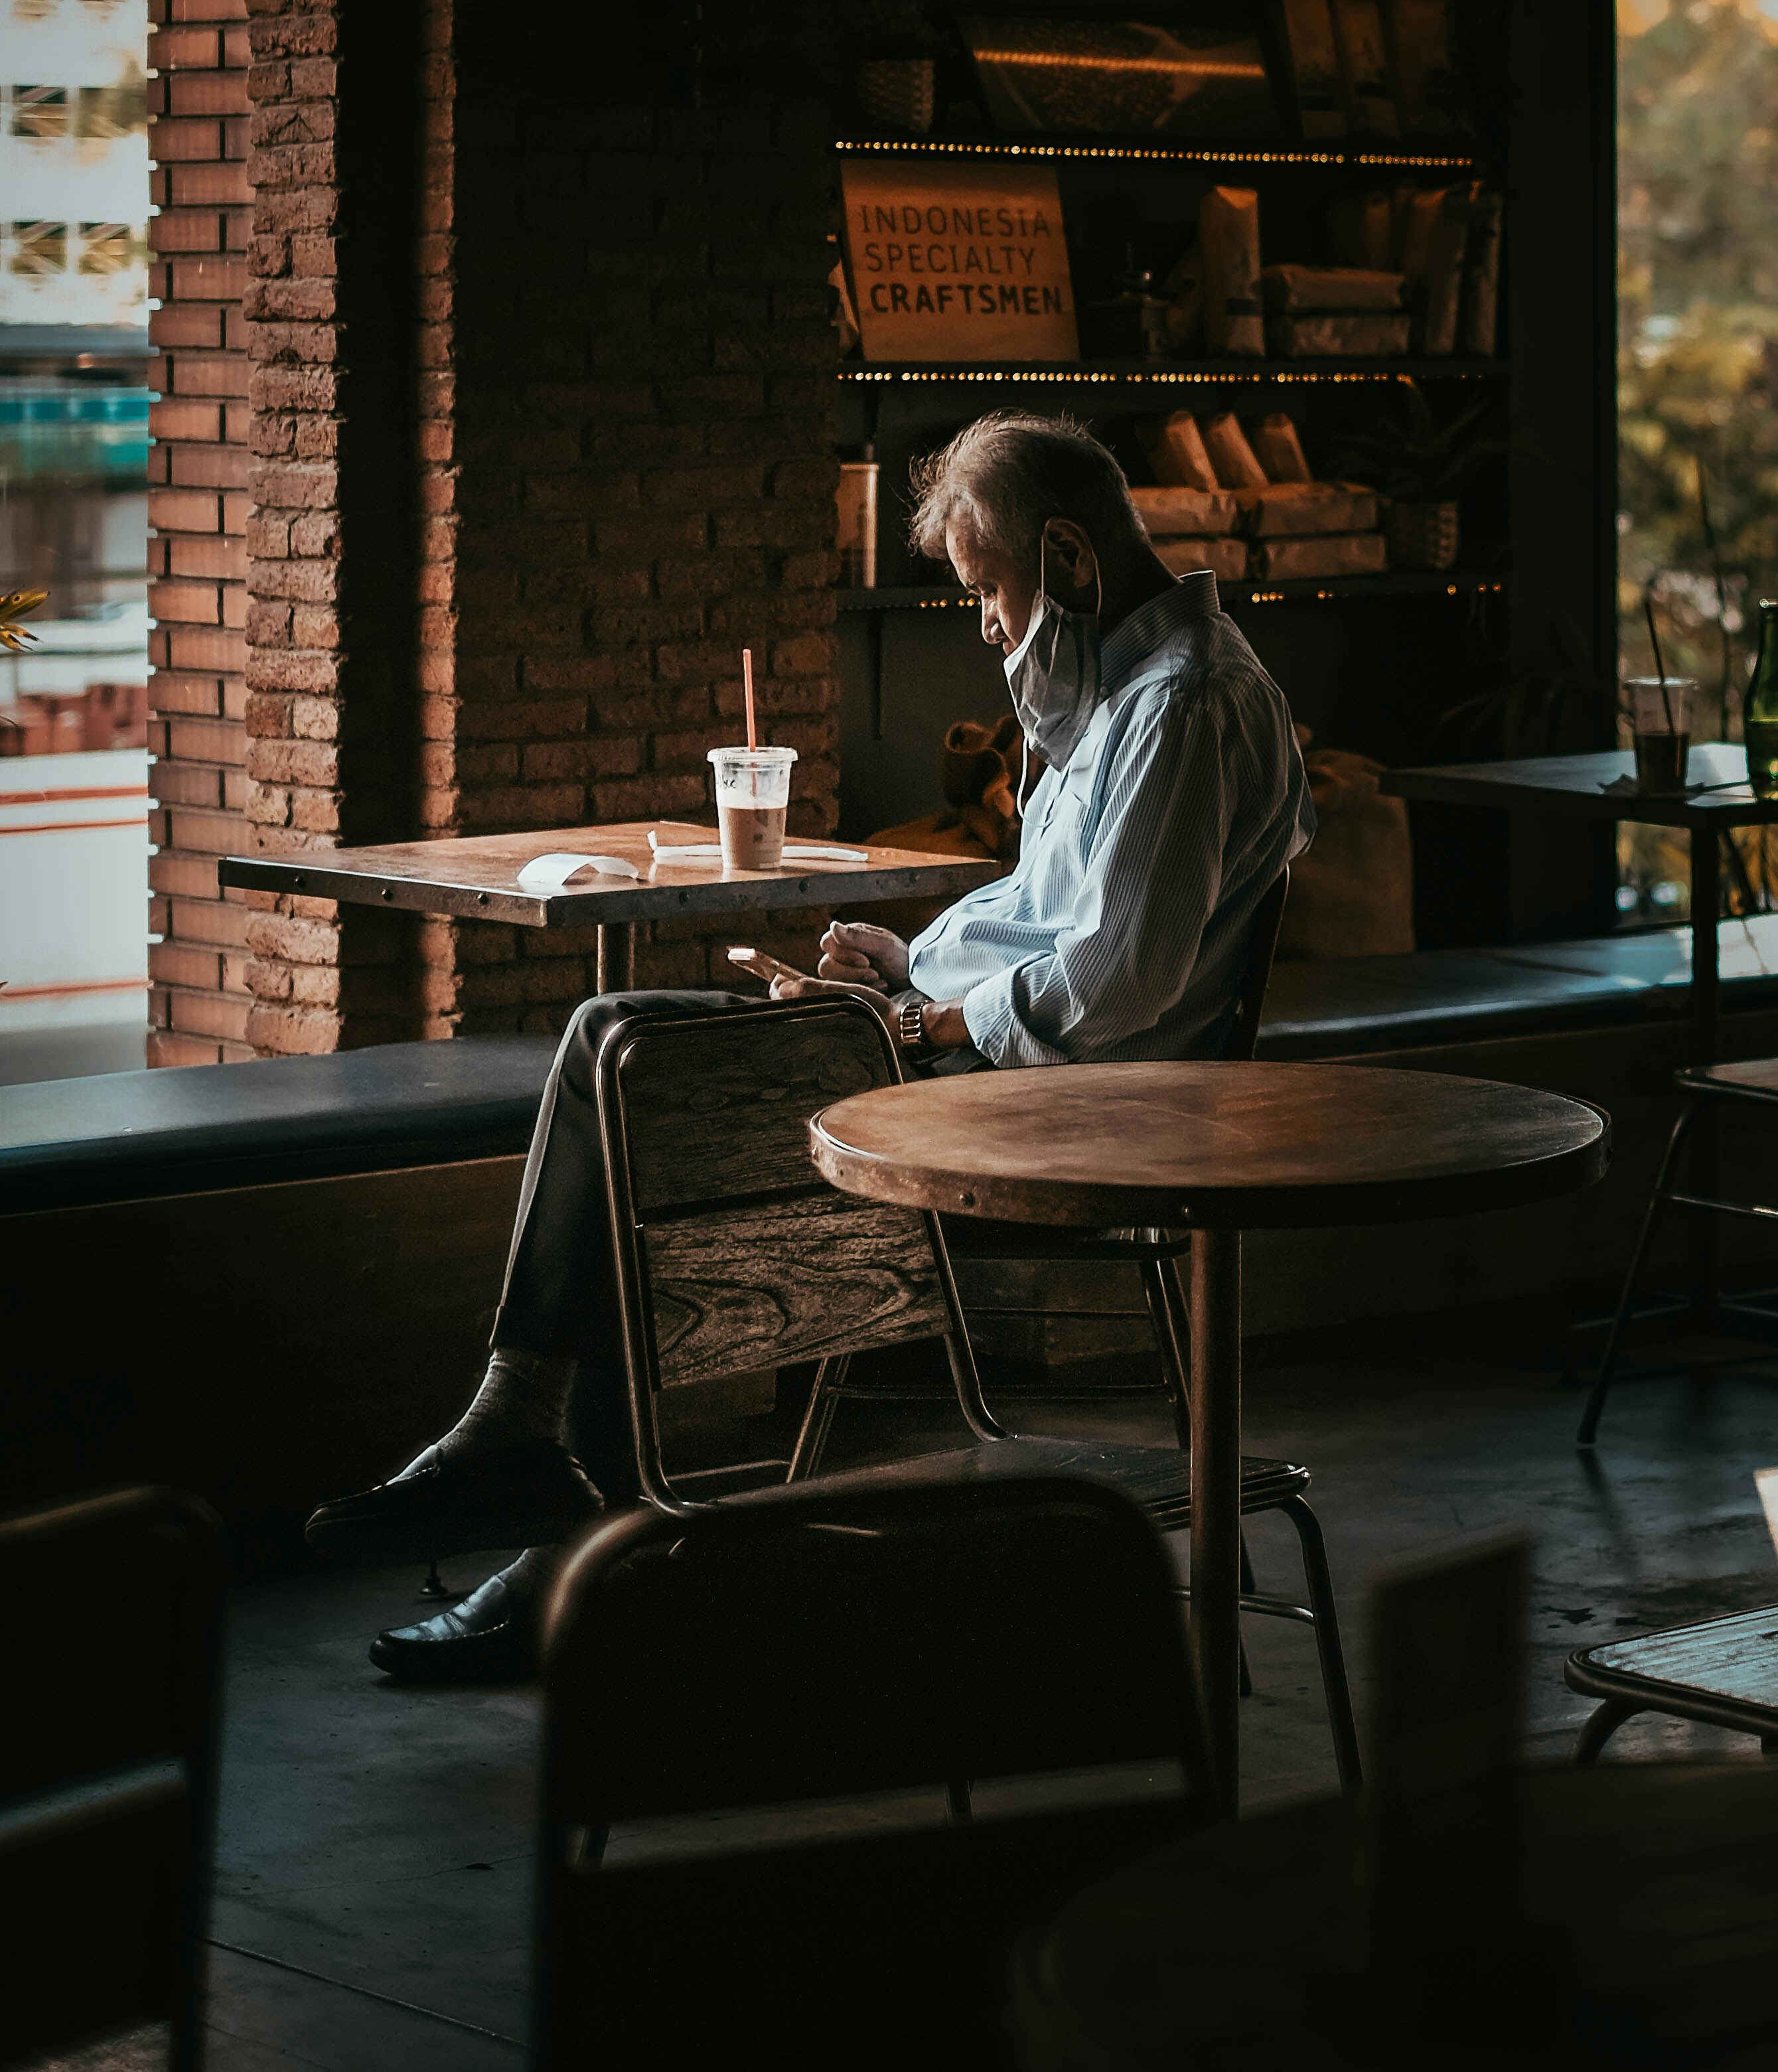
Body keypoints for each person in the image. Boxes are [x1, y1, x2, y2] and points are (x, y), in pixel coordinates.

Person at [307, 410, 1313, 1682]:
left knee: (628, 1061)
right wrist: (912, 969)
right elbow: (1055, 926)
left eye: (989, 589)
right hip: (966, 1056)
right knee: (622, 1059)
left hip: (1050, 1110)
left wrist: (919, 1017)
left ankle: (562, 1500)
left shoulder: (1186, 705)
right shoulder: (1120, 699)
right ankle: (567, 1508)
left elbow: (1121, 978)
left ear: (1065, 556)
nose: (990, 626)